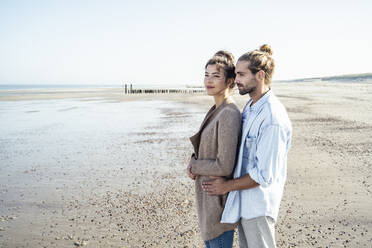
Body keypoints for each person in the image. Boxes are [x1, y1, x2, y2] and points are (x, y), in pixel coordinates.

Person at [202, 45, 292, 248]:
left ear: (259, 75)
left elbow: (263, 174)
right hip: (244, 203)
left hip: (259, 206)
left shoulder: (272, 118)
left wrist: (226, 186)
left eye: (241, 75)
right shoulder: (251, 108)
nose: (237, 80)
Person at [187, 50, 242, 248]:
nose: (208, 80)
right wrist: (193, 163)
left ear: (229, 82)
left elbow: (224, 165)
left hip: (217, 206)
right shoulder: (218, 109)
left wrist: (195, 165)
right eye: (206, 74)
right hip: (209, 203)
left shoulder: (229, 113)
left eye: (216, 76)